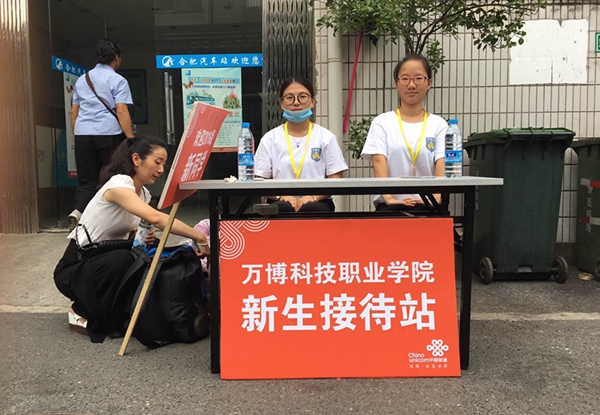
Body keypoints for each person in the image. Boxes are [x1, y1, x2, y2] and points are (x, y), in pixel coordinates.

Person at [54, 136, 210, 342]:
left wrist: (140, 236)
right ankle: (82, 310)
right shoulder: (119, 184)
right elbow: (157, 218)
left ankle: (130, 312)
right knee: (124, 259)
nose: (161, 170)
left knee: (150, 250)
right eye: (157, 162)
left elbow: (134, 229)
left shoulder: (143, 194)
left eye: (164, 164)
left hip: (103, 257)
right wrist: (199, 236)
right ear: (136, 159)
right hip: (77, 266)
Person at [361, 54, 448, 211]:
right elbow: (378, 161)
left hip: (428, 205)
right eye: (405, 79)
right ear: (397, 84)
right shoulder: (382, 122)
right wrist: (390, 199)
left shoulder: (438, 124)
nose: (411, 85)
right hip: (391, 207)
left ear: (429, 83)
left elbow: (441, 162)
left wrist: (435, 198)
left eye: (418, 78)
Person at [68, 38, 135, 231]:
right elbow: (121, 110)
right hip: (109, 134)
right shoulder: (117, 80)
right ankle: (109, 218)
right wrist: (131, 138)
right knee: (113, 176)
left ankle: (78, 211)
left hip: (83, 134)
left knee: (87, 180)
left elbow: (74, 112)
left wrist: (78, 134)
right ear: (117, 57)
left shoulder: (82, 80)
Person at [254, 76, 348, 212]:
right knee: (282, 208)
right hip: (280, 201)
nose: (296, 103)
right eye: (289, 98)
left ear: (313, 101)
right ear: (281, 103)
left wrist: (313, 197)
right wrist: (281, 196)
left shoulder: (326, 137)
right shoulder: (270, 139)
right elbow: (259, 178)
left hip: (318, 202)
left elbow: (336, 178)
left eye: (302, 97)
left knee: (310, 208)